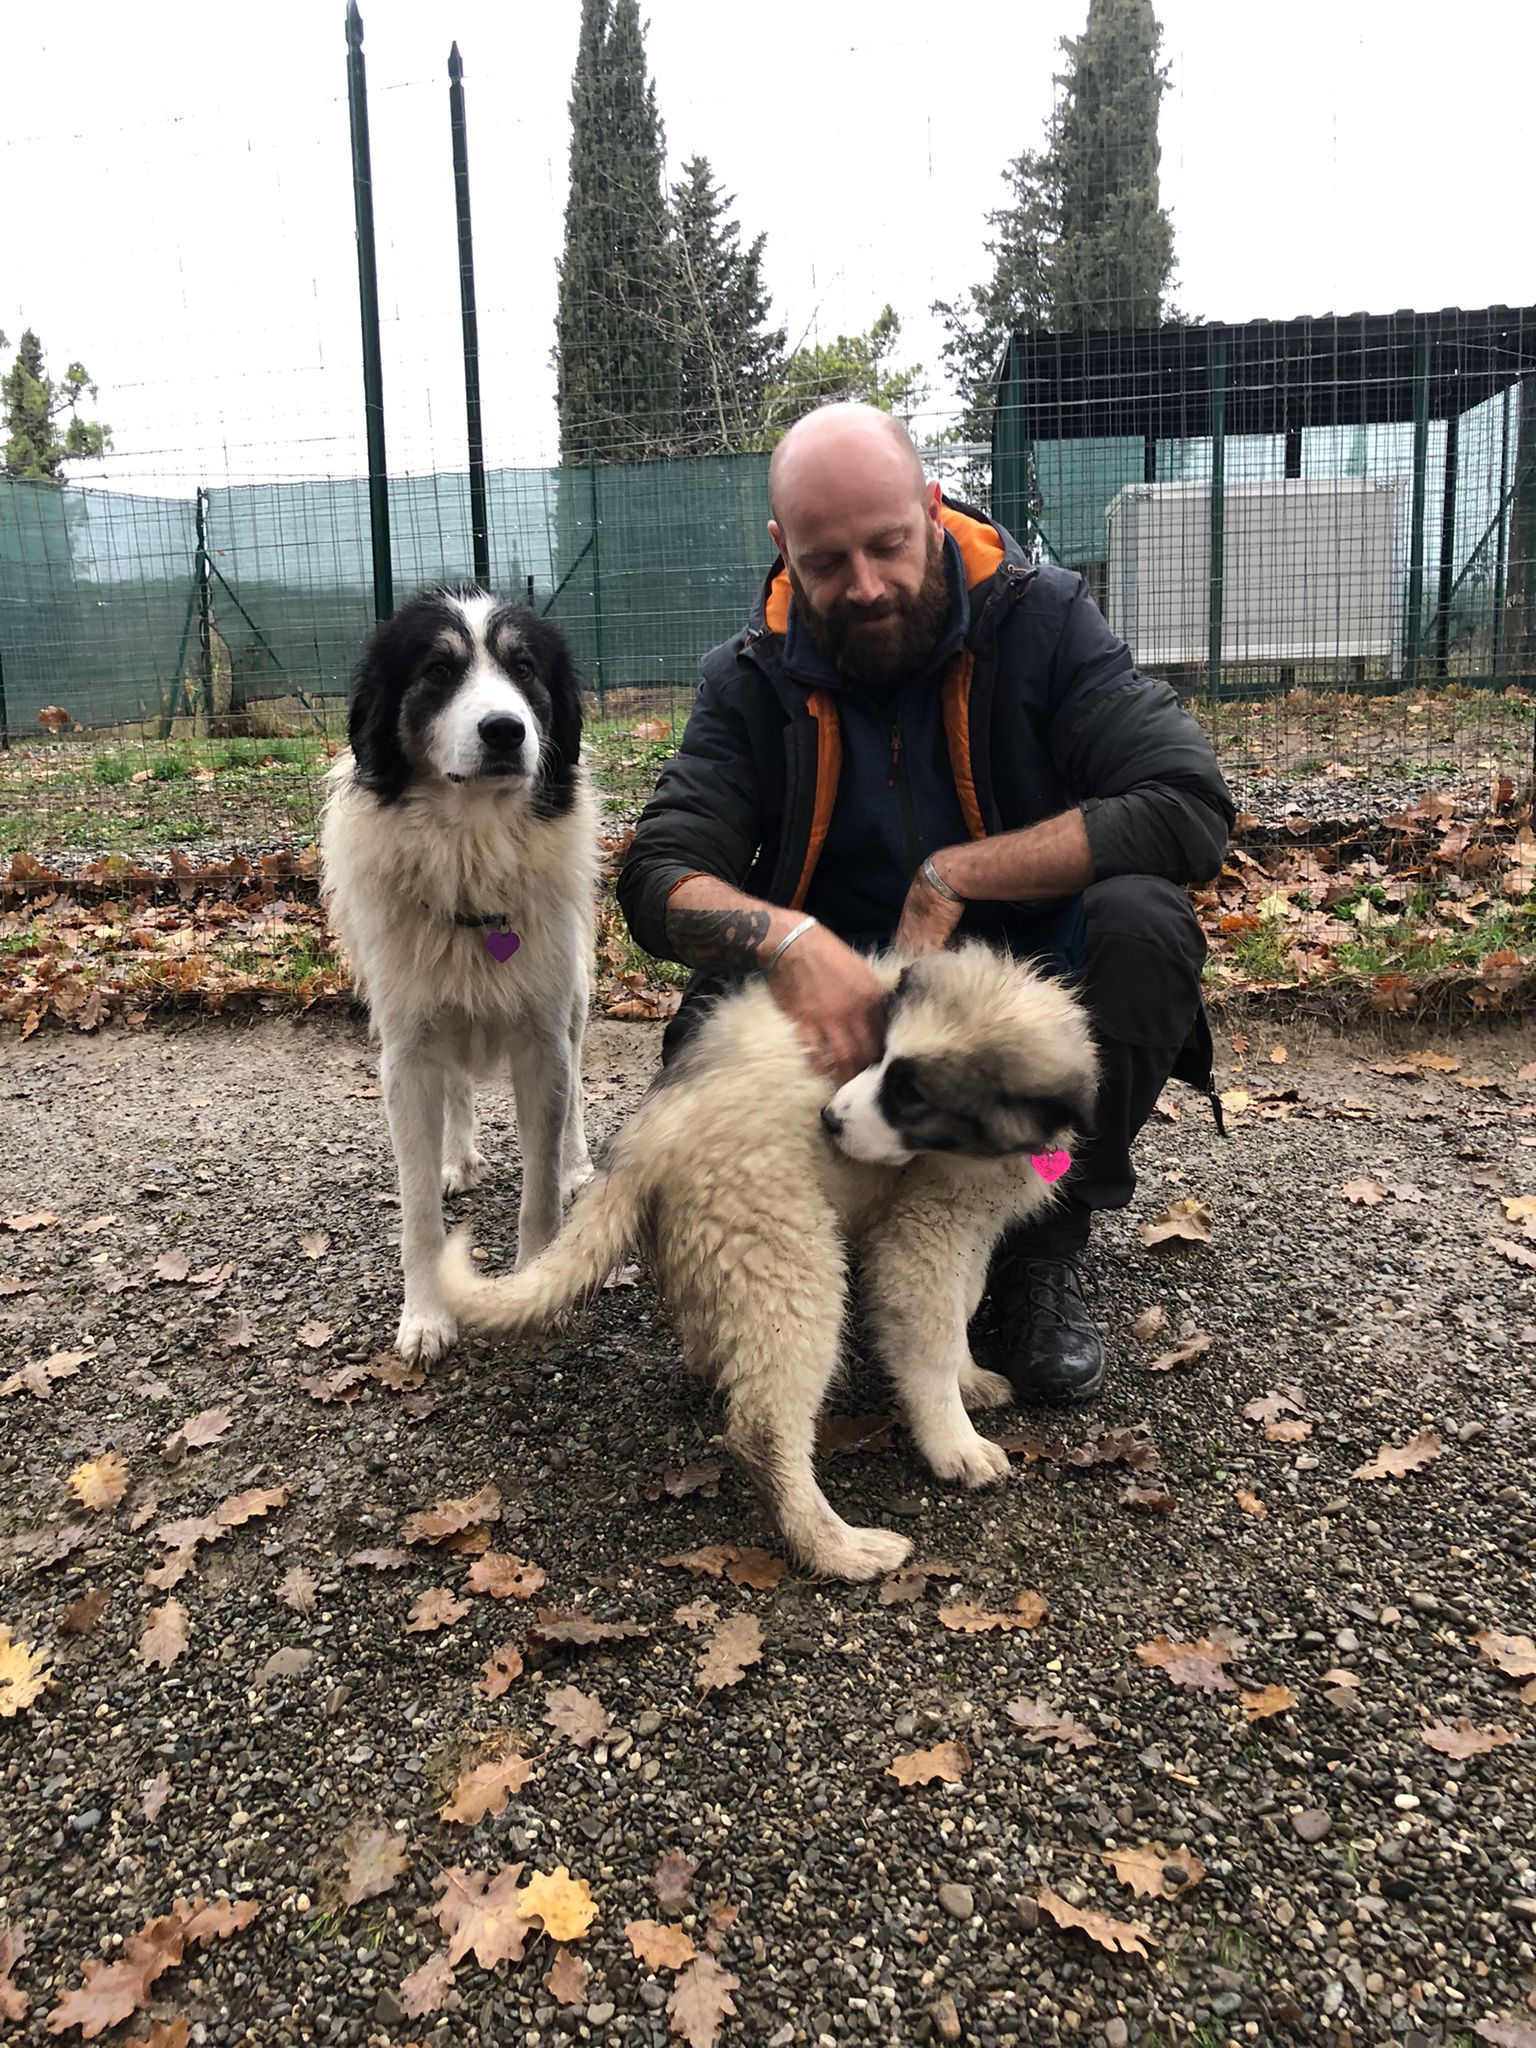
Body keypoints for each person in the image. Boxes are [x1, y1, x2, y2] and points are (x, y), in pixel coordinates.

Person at [616, 403, 1235, 1408]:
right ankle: (799, 1254)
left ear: (933, 507)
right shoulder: (747, 678)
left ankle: (1041, 1243)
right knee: (704, 1032)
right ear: (782, 549)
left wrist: (954, 876)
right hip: (834, 984)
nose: (864, 585)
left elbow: (1188, 803)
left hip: (1015, 974)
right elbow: (658, 873)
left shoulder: (1044, 622)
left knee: (1145, 928)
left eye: (889, 544)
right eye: (826, 561)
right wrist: (787, 940)